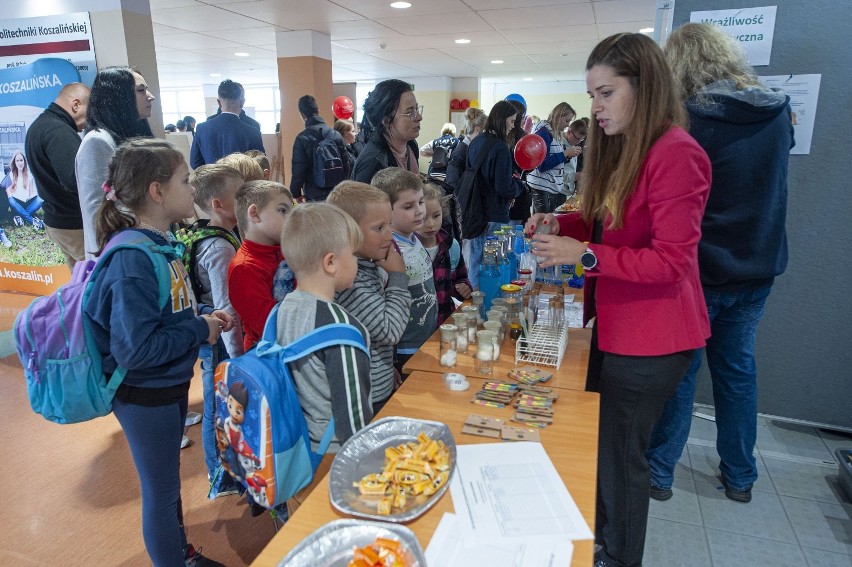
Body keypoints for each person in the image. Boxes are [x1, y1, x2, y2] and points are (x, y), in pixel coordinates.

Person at [525, 33, 711, 567]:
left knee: (623, 461)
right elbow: (606, 223)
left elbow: (670, 261)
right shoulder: (628, 146)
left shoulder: (678, 153)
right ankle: (604, 539)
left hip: (654, 337)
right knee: (606, 451)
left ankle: (619, 555)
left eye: (606, 93)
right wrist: (559, 223)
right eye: (592, 95)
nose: (596, 108)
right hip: (617, 325)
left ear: (643, 87)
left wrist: (581, 254)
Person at [647, 22, 795, 505]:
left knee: (681, 374)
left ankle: (660, 472)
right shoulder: (777, 111)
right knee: (737, 373)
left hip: (701, 269)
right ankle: (740, 476)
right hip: (758, 265)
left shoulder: (690, 120)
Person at [84, 138, 231, 567]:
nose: (193, 190)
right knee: (162, 491)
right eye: (186, 181)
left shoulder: (158, 244)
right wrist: (199, 329)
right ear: (157, 191)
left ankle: (178, 551)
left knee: (166, 488)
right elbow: (136, 348)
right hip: (144, 393)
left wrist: (204, 314)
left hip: (164, 386)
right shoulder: (132, 257)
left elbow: (169, 310)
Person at [276, 202, 373, 452]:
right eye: (353, 254)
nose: (357, 261)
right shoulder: (343, 329)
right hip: (334, 452)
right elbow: (354, 421)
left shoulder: (283, 308)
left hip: (298, 444)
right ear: (330, 262)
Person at [187, 164, 246, 497]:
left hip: (213, 335)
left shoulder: (206, 233)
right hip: (222, 341)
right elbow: (227, 307)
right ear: (218, 205)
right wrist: (238, 356)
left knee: (217, 404)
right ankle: (219, 477)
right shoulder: (221, 247)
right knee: (216, 406)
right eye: (239, 195)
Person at [328, 181, 412, 413]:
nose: (389, 235)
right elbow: (390, 331)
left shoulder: (366, 266)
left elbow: (375, 332)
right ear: (348, 232)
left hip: (377, 384)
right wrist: (397, 276)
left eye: (389, 225)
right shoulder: (351, 282)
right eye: (379, 228)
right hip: (364, 398)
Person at [76, 66, 155, 259]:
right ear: (118, 96)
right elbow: (98, 211)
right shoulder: (98, 142)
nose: (150, 96)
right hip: (120, 254)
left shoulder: (131, 135)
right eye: (140, 90)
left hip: (143, 245)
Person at [371, 168, 437, 374]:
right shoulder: (387, 250)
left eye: (420, 202)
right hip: (404, 346)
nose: (419, 211)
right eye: (408, 206)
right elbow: (382, 305)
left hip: (426, 337)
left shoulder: (414, 237)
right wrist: (389, 363)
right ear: (385, 211)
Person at [25, 82, 91, 267]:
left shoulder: (39, 125)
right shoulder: (59, 131)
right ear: (76, 105)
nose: (89, 120)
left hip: (58, 221)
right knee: (94, 282)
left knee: (79, 283)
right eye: (90, 111)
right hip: (73, 224)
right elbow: (73, 179)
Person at [227, 180, 293, 352]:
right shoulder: (243, 268)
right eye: (282, 210)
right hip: (270, 356)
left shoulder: (285, 251)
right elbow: (271, 326)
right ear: (255, 214)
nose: (291, 219)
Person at [461, 100, 521, 288]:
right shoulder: (500, 147)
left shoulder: (477, 141)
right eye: (511, 121)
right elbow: (504, 187)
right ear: (501, 120)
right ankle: (489, 304)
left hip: (474, 210)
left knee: (475, 262)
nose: (513, 127)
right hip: (494, 212)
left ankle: (474, 301)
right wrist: (519, 186)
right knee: (492, 265)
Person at [417, 180, 471, 326]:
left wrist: (464, 289)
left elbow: (461, 279)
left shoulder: (451, 246)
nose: (430, 224)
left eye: (436, 216)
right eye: (423, 218)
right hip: (418, 330)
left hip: (445, 323)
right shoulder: (406, 251)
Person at [352, 79, 421, 183]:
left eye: (416, 109)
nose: (419, 117)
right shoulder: (373, 162)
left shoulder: (411, 145)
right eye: (409, 112)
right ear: (386, 120)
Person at [190, 80, 264, 168]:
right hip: (242, 180)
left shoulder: (202, 128)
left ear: (218, 102)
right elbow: (260, 164)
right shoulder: (252, 131)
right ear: (242, 102)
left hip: (211, 180)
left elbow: (195, 162)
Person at [290, 95, 347, 202]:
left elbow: (298, 171)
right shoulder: (335, 135)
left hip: (314, 194)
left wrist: (296, 193)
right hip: (337, 193)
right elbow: (346, 165)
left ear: (302, 115)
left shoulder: (302, 138)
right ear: (318, 111)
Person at [527, 102, 580, 214]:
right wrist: (565, 154)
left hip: (549, 187)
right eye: (567, 120)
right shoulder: (544, 133)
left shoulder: (554, 134)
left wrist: (567, 156)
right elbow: (541, 165)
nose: (567, 125)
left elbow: (555, 160)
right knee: (543, 226)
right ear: (559, 115)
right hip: (542, 189)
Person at [445, 107, 487, 190]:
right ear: (477, 130)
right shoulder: (460, 152)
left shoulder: (471, 149)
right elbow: (452, 184)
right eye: (486, 131)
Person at [506, 99, 532, 225]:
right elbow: (529, 166)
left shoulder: (498, 137)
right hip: (517, 190)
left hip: (504, 194)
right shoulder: (523, 138)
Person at [6, 150, 44, 229]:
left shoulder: (29, 175)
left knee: (40, 199)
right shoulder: (11, 175)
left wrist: (30, 196)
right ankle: (32, 220)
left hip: (27, 203)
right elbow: (9, 193)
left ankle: (20, 217)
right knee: (11, 200)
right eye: (17, 161)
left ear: (24, 161)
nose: (20, 163)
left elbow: (30, 193)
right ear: (15, 163)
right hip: (17, 204)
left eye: (21, 160)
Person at [561, 119, 587, 198]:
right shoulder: (559, 145)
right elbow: (555, 174)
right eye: (577, 138)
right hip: (559, 190)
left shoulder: (573, 145)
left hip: (569, 190)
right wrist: (575, 176)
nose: (578, 142)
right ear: (569, 132)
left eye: (581, 139)